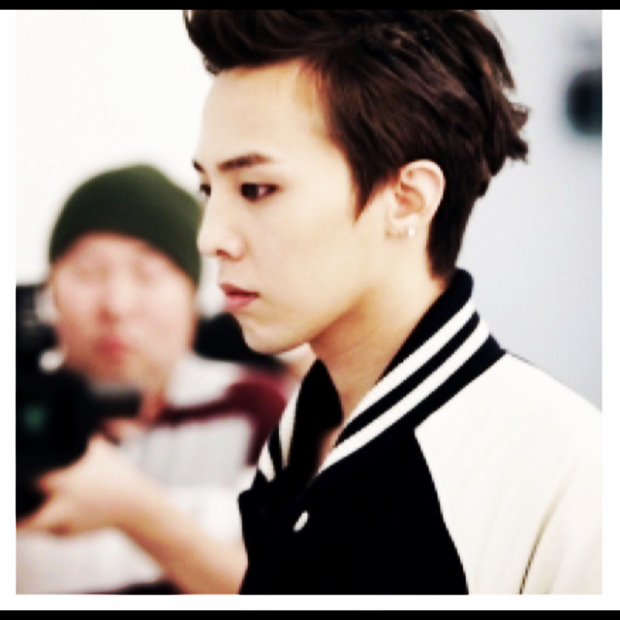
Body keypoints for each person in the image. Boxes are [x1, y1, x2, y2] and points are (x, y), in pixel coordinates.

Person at [184, 10, 601, 595]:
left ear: (406, 199)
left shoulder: (571, 473)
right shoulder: (299, 438)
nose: (211, 237)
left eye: (256, 189)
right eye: (209, 188)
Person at [16, 165, 295, 594]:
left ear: (193, 296)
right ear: (50, 290)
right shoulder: (20, 412)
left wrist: (134, 510)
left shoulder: (258, 411)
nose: (117, 305)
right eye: (88, 273)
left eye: (147, 274)